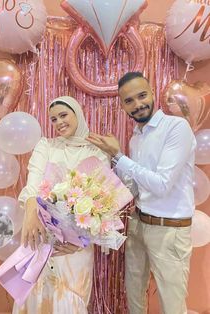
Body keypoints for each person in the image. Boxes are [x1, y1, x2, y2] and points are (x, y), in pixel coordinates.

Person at [87, 72, 196, 314]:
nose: (137, 104)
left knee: (172, 304)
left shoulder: (177, 127)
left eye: (142, 95)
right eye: (129, 101)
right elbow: (135, 187)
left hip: (170, 229)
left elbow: (161, 185)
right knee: (134, 294)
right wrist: (105, 168)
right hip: (138, 223)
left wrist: (119, 156)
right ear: (123, 105)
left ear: (153, 92)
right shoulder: (137, 137)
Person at [12, 96, 110, 314]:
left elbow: (103, 204)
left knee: (71, 298)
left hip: (76, 243)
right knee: (38, 297)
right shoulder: (46, 145)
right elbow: (34, 182)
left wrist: (82, 241)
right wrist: (30, 209)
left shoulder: (96, 151)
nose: (58, 122)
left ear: (77, 113)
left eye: (63, 115)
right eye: (53, 119)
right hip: (43, 236)